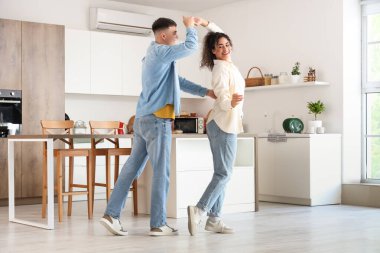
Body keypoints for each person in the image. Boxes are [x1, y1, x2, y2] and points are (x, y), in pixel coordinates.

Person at [99, 16, 216, 236]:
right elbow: (191, 45)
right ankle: (158, 223)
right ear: (163, 36)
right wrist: (190, 26)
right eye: (174, 32)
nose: (177, 35)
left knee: (131, 168)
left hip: (143, 119)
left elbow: (177, 81)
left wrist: (205, 92)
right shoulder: (162, 52)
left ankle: (111, 215)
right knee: (161, 172)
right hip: (157, 120)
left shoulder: (154, 55)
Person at [187, 18, 244, 235]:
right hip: (222, 124)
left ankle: (214, 219)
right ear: (213, 51)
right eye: (219, 46)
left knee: (223, 173)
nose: (225, 48)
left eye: (227, 44)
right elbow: (221, 97)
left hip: (226, 123)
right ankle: (199, 210)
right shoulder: (220, 69)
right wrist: (231, 103)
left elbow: (220, 33)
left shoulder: (229, 64)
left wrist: (204, 22)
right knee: (224, 174)